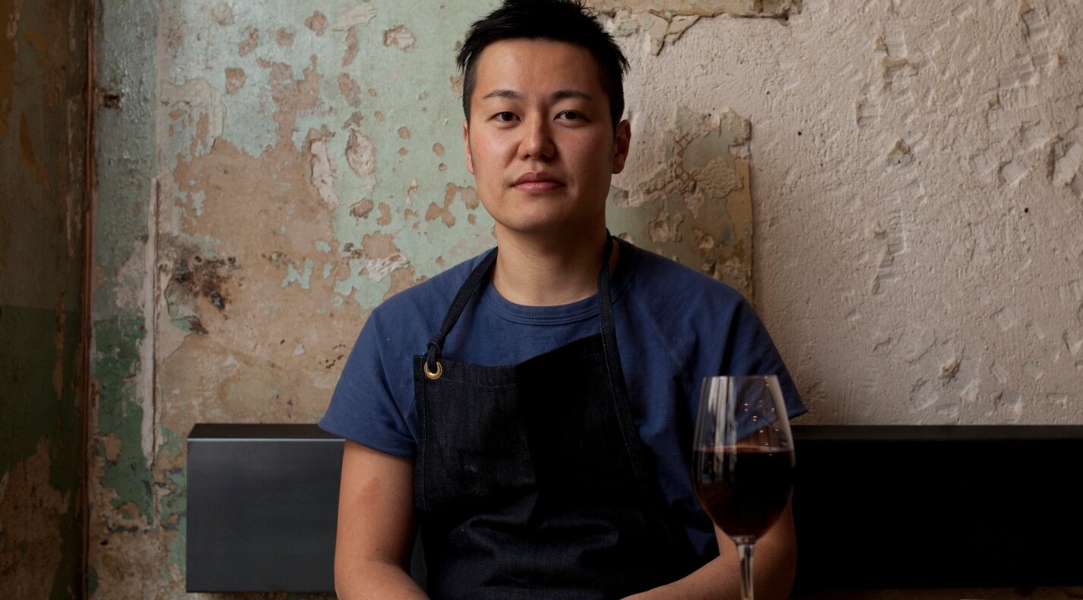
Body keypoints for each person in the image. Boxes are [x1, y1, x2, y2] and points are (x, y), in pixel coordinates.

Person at [320, 1, 805, 597]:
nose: (535, 144)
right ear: (469, 146)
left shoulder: (712, 324)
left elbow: (763, 559)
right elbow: (366, 566)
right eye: (505, 116)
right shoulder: (402, 332)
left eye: (569, 115)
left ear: (619, 146)